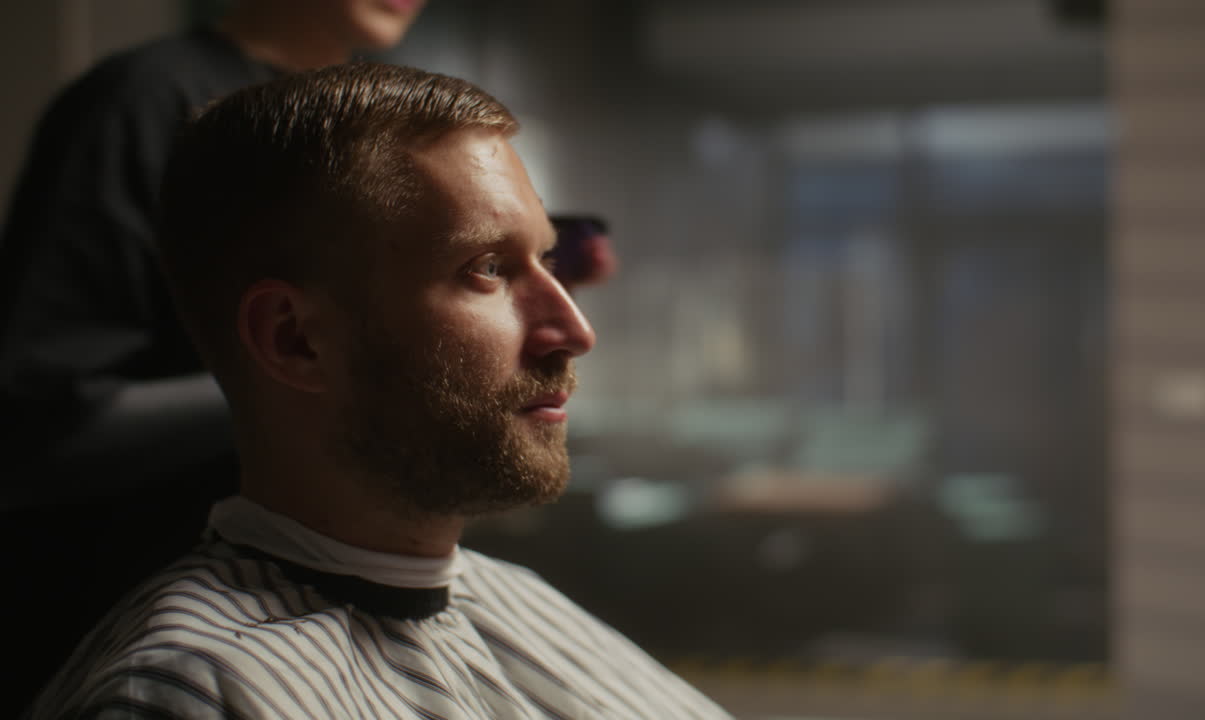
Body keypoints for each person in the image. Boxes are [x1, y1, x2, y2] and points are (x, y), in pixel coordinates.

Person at [23, 62, 729, 719]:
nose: (573, 330)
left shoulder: (520, 601)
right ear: (295, 339)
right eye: (486, 269)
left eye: (546, 258)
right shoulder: (195, 693)